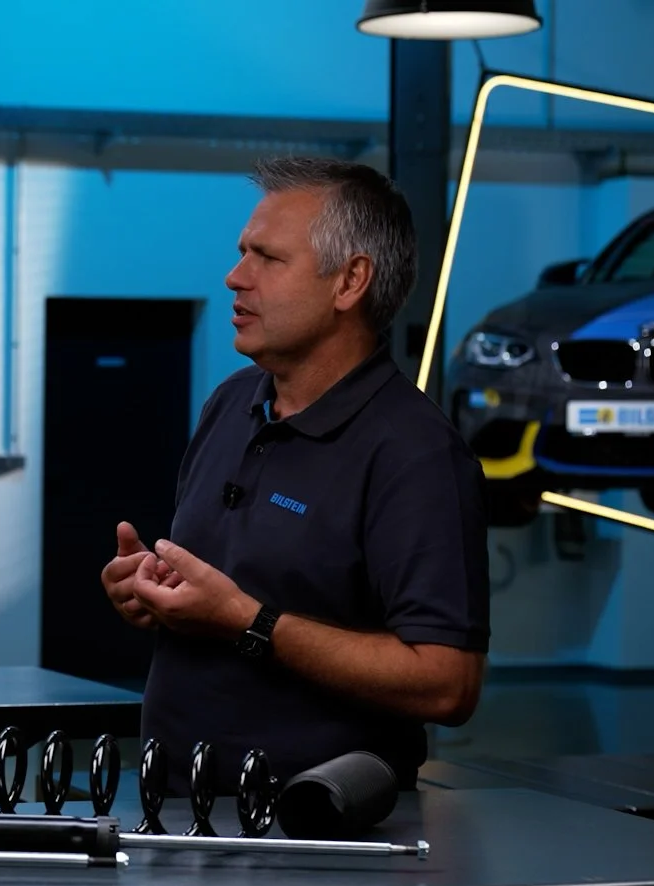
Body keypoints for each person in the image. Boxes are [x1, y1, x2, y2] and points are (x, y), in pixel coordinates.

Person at [100, 156, 489, 793]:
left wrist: (248, 621)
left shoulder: (415, 455)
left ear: (350, 282)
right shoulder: (230, 403)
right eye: (241, 253)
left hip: (317, 839)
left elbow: (447, 683)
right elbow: (224, 593)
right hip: (175, 814)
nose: (234, 277)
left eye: (267, 259)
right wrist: (155, 591)